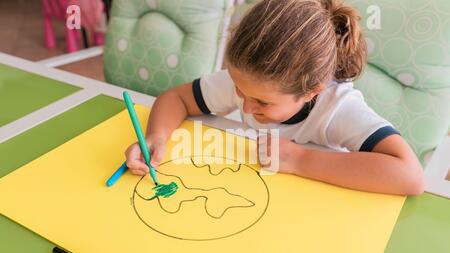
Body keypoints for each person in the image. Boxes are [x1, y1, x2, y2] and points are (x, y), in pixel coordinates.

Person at [125, 0, 424, 196]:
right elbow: (176, 98)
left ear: (312, 91)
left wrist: (300, 159)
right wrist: (156, 136)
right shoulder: (247, 81)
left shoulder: (338, 107)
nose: (245, 106)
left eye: (263, 104)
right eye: (240, 92)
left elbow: (410, 176)